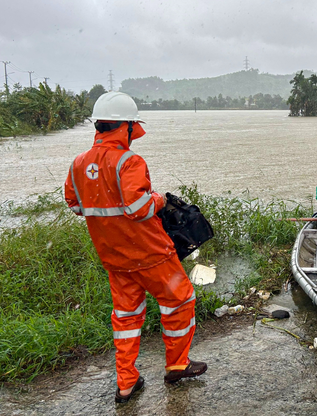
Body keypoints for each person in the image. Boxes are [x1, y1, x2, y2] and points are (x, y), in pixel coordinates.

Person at [64, 92, 207, 404]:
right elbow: (139, 208)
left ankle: (127, 382)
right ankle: (177, 365)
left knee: (126, 317)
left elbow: (76, 206)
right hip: (151, 253)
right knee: (180, 302)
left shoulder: (78, 164)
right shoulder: (129, 161)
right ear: (125, 127)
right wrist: (160, 199)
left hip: (114, 258)